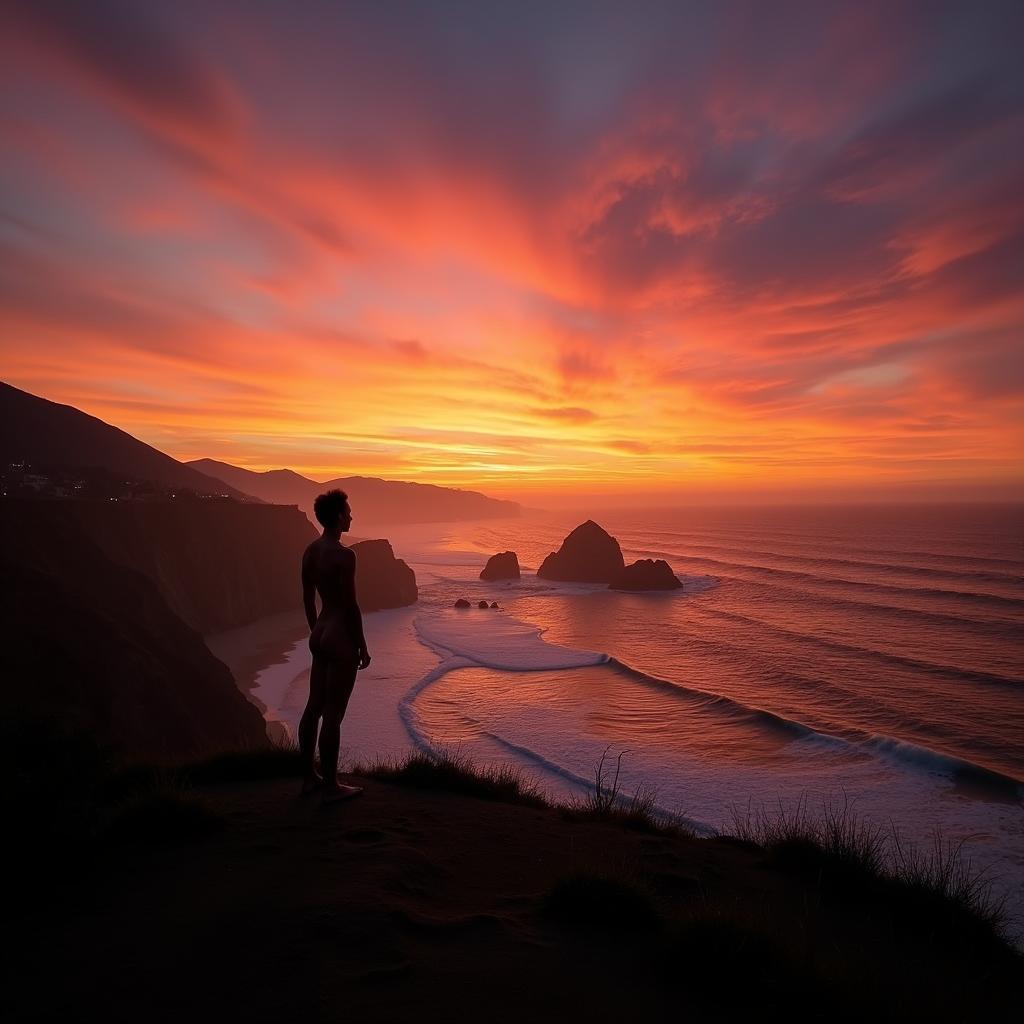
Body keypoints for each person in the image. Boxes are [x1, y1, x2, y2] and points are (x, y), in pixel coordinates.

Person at [299, 489, 371, 802]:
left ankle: (308, 777)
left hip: (320, 631)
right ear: (338, 516)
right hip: (340, 634)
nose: (351, 516)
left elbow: (307, 598)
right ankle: (331, 784)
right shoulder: (345, 555)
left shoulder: (311, 551)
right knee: (333, 713)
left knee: (313, 706)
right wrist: (362, 646)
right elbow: (351, 606)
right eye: (348, 512)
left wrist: (316, 633)